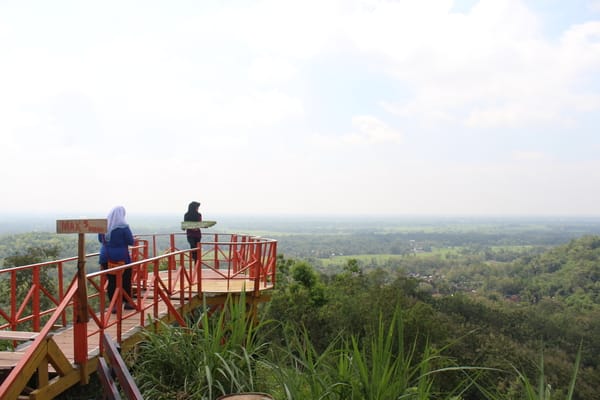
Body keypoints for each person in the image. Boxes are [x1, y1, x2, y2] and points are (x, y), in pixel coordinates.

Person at [98, 206, 135, 312]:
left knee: (111, 281)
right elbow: (130, 241)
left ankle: (114, 305)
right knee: (125, 279)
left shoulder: (104, 226)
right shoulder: (123, 227)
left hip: (106, 256)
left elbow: (101, 240)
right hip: (121, 257)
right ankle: (127, 302)